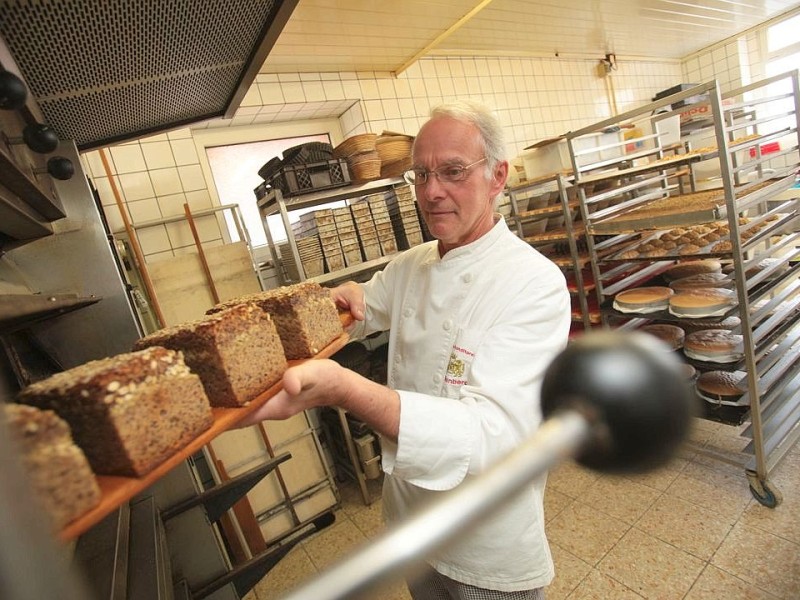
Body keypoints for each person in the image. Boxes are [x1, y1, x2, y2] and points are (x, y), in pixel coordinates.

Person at [245, 100, 571, 599]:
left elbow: (496, 435)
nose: (431, 191)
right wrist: (346, 298)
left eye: (452, 172)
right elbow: (366, 306)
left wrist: (347, 391)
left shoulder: (534, 284)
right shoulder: (413, 264)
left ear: (497, 176)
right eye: (420, 175)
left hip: (483, 544)